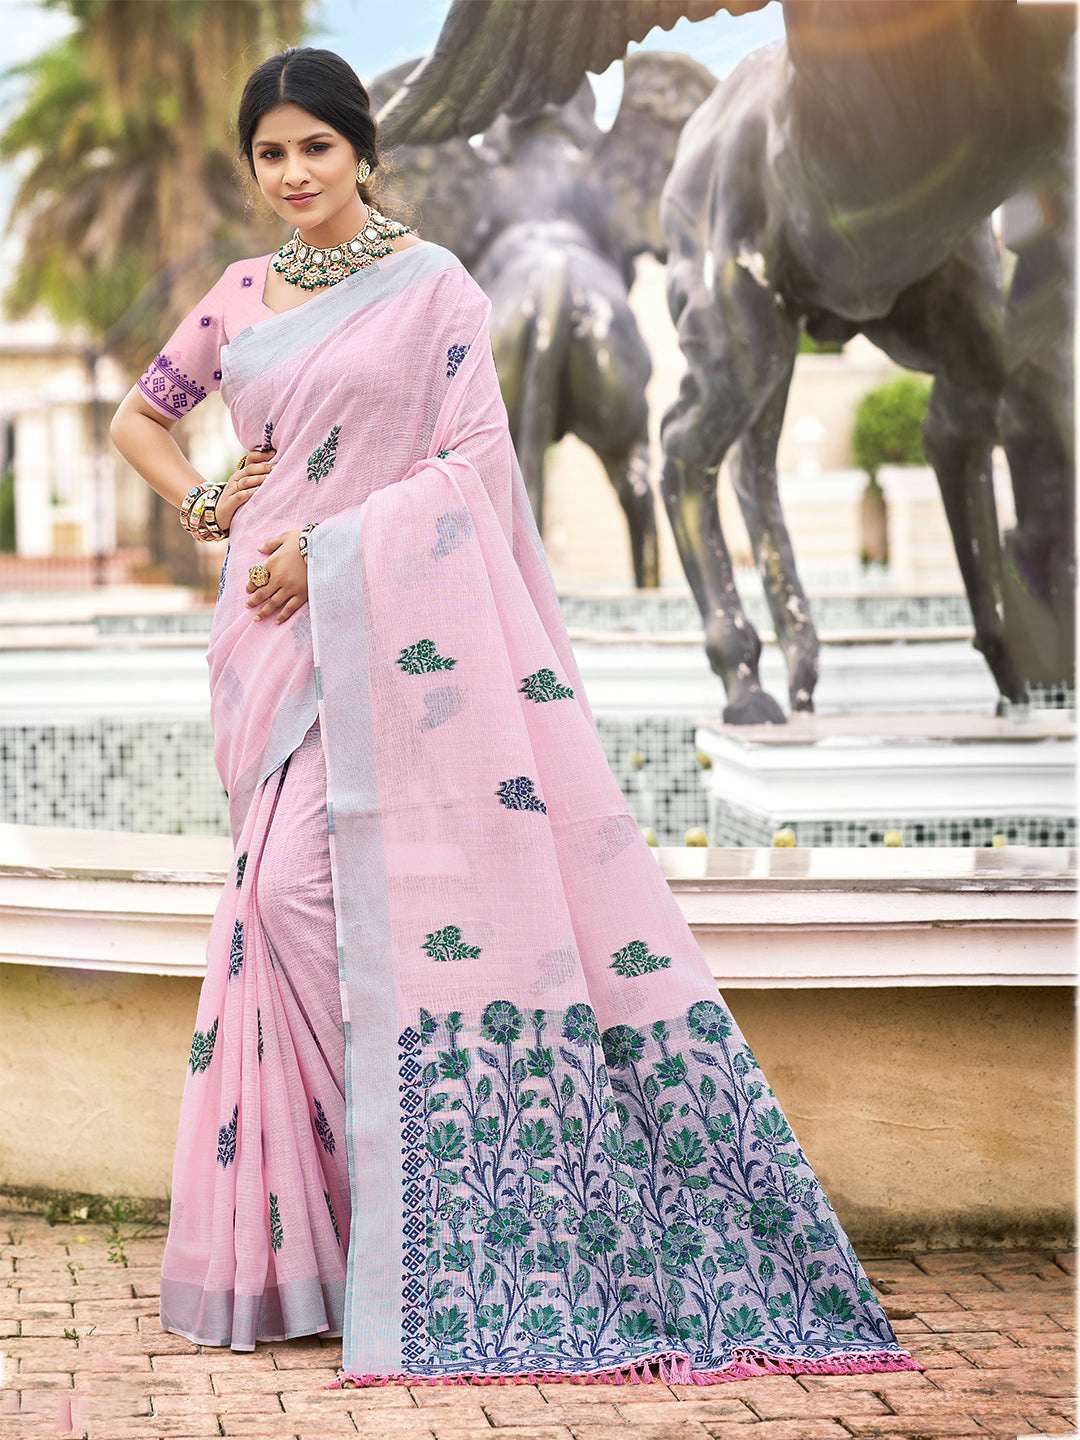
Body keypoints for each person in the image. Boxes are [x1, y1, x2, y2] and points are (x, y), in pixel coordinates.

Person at [110, 47, 917, 1388]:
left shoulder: (437, 287)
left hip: (386, 629)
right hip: (269, 647)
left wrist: (331, 550)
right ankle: (355, 1232)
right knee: (279, 901)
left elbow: (476, 469)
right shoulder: (240, 296)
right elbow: (142, 418)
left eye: (317, 147)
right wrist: (209, 501)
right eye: (271, 154)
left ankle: (422, 1212)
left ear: (364, 153)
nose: (295, 173)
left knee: (321, 894)